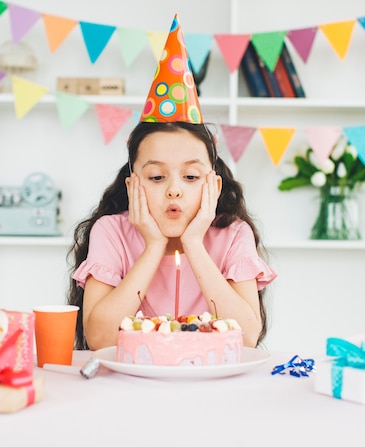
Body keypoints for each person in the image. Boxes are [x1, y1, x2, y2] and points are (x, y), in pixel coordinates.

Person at [67, 15, 277, 351]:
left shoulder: (233, 234)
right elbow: (100, 339)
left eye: (191, 177)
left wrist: (194, 242)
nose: (174, 190)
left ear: (214, 186)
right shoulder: (111, 232)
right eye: (156, 177)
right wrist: (152, 245)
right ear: (132, 183)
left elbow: (248, 337)